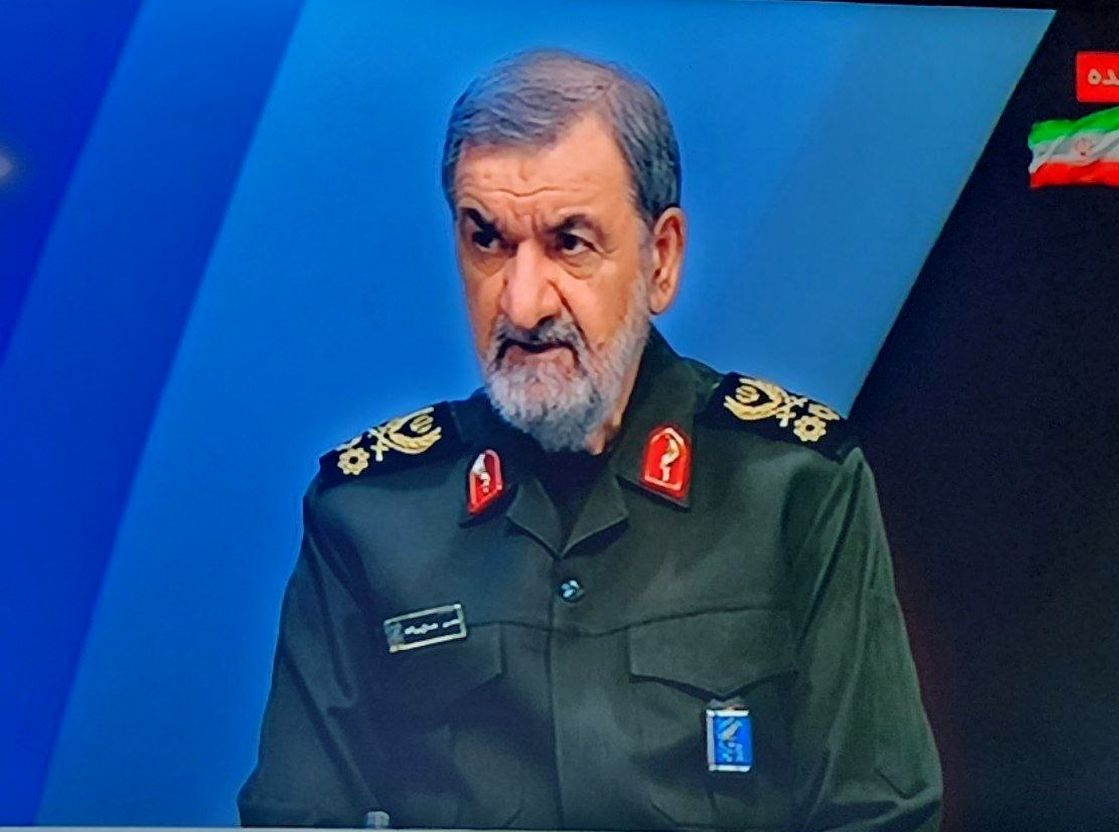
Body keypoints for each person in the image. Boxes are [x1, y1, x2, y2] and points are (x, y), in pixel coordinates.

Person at [238, 49, 942, 831]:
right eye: (486, 240)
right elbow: (296, 820)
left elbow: (878, 817)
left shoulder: (796, 488)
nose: (524, 303)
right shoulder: (369, 515)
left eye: (570, 242)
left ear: (661, 259)